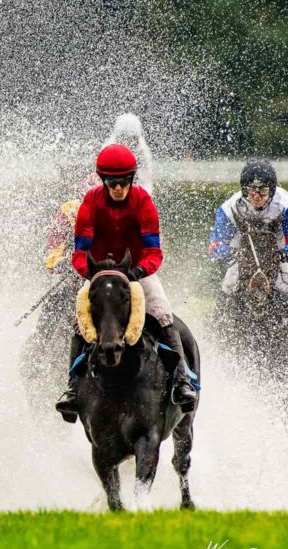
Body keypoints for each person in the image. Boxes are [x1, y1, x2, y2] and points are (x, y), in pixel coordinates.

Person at [55, 143, 197, 421]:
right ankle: (72, 389)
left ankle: (181, 382)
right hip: (101, 275)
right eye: (112, 182)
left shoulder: (143, 201)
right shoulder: (90, 202)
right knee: (79, 323)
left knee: (162, 313)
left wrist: (138, 270)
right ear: (103, 180)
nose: (118, 188)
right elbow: (80, 252)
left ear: (132, 178)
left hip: (137, 274)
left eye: (123, 181)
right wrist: (92, 273)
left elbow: (154, 252)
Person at [208, 159, 288, 365]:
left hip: (278, 250)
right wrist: (225, 252)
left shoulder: (287, 205)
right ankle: (213, 336)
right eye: (250, 191)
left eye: (262, 192)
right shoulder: (229, 208)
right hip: (243, 250)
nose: (256, 197)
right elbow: (215, 244)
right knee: (229, 284)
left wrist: (287, 253)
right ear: (243, 190)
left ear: (272, 190)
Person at [104, 113, 154, 193]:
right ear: (118, 137)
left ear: (137, 139)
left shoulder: (142, 151)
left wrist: (144, 197)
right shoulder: (108, 149)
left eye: (132, 138)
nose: (128, 142)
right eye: (124, 137)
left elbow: (146, 180)